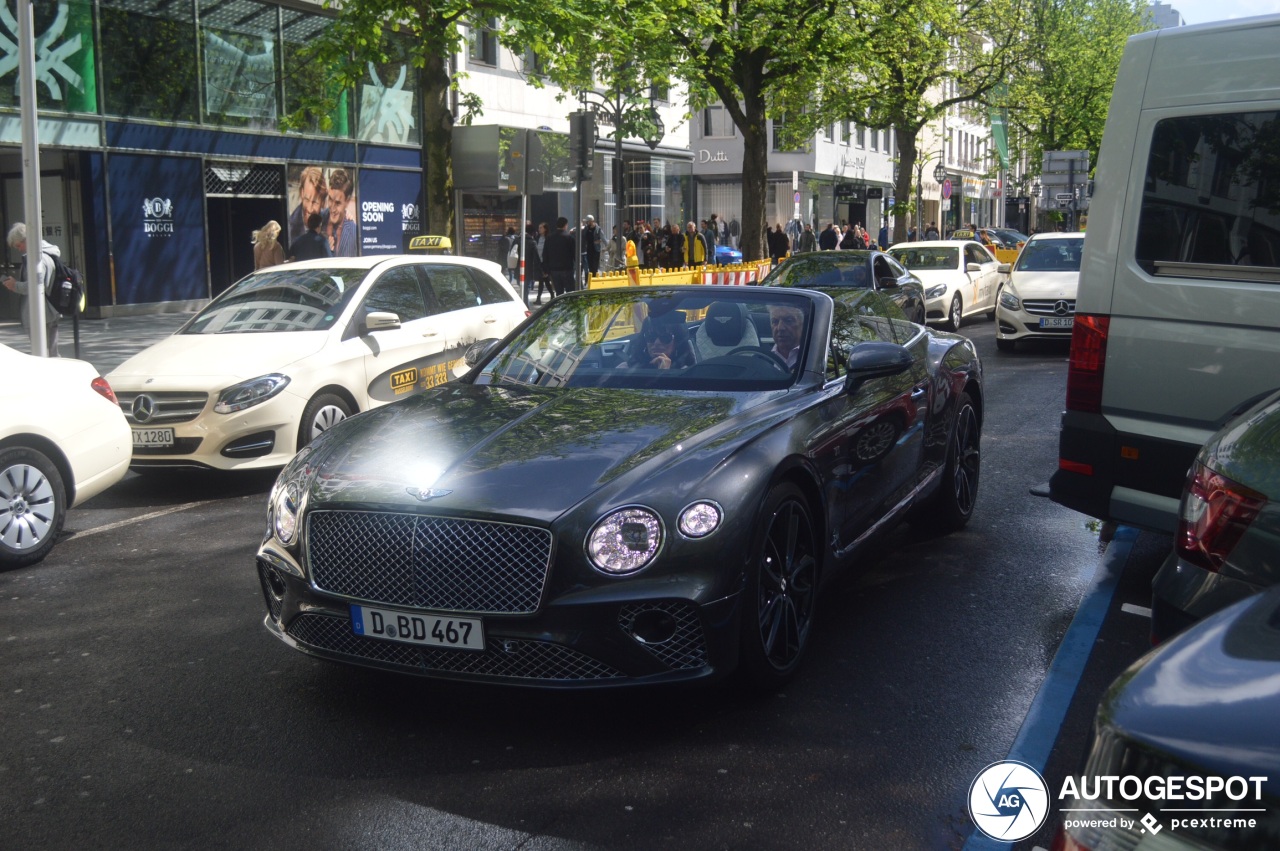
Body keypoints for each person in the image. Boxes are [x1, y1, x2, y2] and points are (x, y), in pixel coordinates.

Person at [2, 222, 60, 356]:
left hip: (38, 312)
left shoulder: (37, 259)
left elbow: (34, 286)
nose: (19, 249)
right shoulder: (48, 254)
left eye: (18, 245)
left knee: (42, 354)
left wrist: (14, 285)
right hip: (50, 310)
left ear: (26, 240)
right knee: (51, 352)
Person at [622, 313, 696, 370]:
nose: (657, 343)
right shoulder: (627, 368)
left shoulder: (687, 372)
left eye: (665, 337)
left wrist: (663, 373)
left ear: (677, 342)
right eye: (651, 336)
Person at [287, 166, 328, 246]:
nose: (309, 209)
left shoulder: (327, 218)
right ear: (302, 193)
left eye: (314, 202)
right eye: (306, 199)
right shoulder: (291, 228)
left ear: (322, 202)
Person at [323, 169, 358, 257]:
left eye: (338, 203)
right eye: (330, 199)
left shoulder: (354, 233)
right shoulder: (319, 220)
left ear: (347, 201)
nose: (333, 209)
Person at [543, 217, 576, 296]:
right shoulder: (569, 238)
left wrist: (546, 269)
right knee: (570, 293)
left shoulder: (549, 238)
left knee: (559, 293)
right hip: (567, 268)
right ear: (565, 225)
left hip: (554, 269)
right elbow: (574, 254)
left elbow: (545, 254)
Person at [768, 303, 805, 370]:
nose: (780, 328)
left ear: (803, 324)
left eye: (788, 321)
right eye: (775, 321)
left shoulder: (815, 357)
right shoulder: (760, 358)